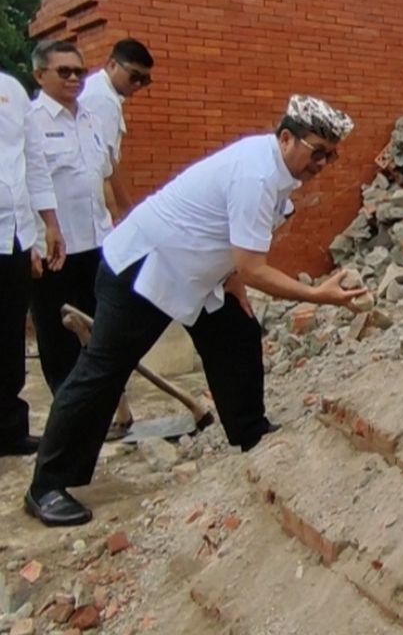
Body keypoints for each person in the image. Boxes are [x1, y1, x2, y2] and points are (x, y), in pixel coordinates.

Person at [26, 95, 366, 526]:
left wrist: (233, 278)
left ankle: (251, 435)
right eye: (318, 151)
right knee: (103, 371)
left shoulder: (276, 172)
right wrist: (320, 295)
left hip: (195, 273)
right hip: (143, 268)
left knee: (237, 331)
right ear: (286, 138)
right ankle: (46, 487)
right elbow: (256, 266)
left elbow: (230, 237)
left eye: (331, 155)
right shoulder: (257, 174)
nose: (324, 163)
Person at [27, 41, 115, 395]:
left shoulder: (91, 119)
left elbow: (102, 177)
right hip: (53, 251)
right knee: (59, 338)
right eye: (64, 71)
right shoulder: (28, 124)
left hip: (96, 245)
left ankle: (99, 409)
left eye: (79, 71)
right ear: (40, 75)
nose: (75, 78)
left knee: (99, 332)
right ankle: (67, 412)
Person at [0, 70, 65, 457]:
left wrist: (48, 226)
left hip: (15, 235)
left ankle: (8, 430)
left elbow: (33, 161)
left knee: (9, 337)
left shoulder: (11, 90)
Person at [78, 38, 154, 221]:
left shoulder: (97, 89)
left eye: (144, 80)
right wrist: (124, 211)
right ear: (112, 65)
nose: (137, 85)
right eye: (134, 76)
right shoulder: (103, 99)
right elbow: (106, 164)